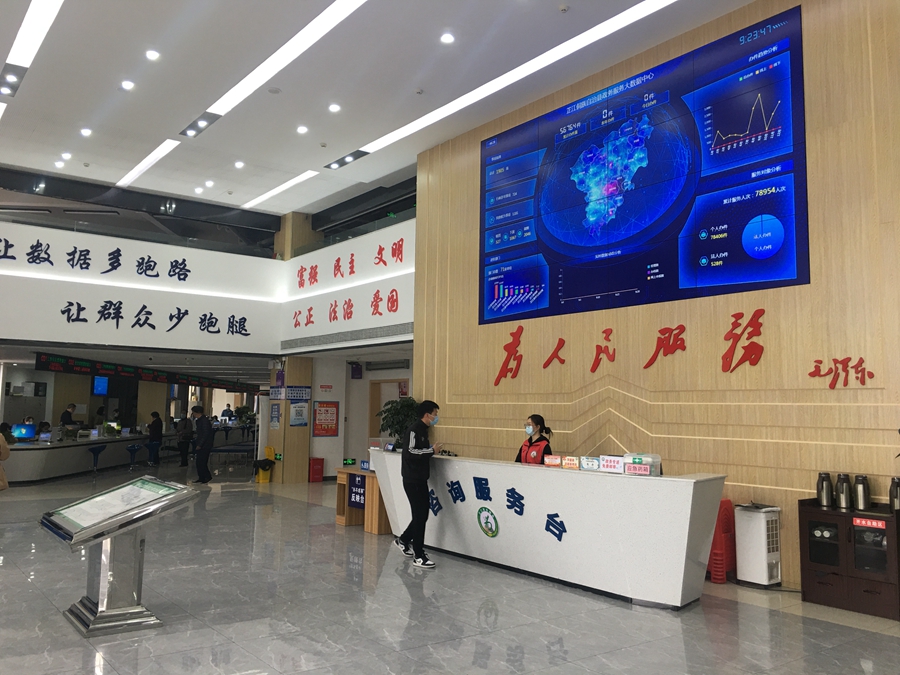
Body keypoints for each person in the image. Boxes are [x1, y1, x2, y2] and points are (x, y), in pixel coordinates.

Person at [394, 400, 442, 569]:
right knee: (420, 516)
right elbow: (410, 452)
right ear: (427, 415)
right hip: (412, 479)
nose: (436, 417)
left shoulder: (424, 431)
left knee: (422, 515)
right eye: (435, 414)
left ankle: (404, 540)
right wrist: (431, 451)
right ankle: (419, 555)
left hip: (420, 479)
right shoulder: (414, 430)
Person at [191, 405, 213, 484]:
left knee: (202, 461)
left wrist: (200, 444)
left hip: (205, 445)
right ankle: (201, 477)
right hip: (202, 443)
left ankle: (206, 476)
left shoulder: (204, 421)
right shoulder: (200, 421)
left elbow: (205, 434)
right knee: (199, 462)